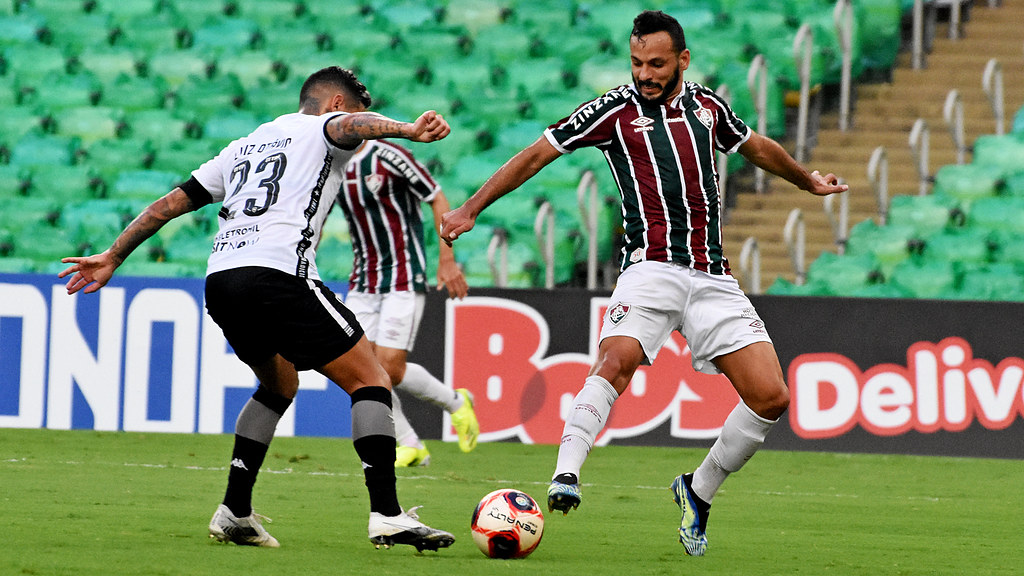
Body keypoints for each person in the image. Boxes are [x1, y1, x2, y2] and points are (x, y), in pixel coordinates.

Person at [440, 11, 848, 557]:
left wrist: (807, 181)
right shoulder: (611, 110)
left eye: (656, 63)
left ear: (682, 60)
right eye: (636, 63)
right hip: (649, 268)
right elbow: (537, 154)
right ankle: (565, 473)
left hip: (711, 274)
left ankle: (698, 492)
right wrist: (471, 208)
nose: (644, 74)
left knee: (771, 396)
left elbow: (755, 147)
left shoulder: (709, 107)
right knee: (616, 360)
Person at [59, 66, 457, 552]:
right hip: (278, 274)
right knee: (370, 380)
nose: (356, 127)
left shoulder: (245, 144)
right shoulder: (323, 128)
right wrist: (407, 130)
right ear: (334, 104)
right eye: (353, 110)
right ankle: (387, 516)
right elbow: (350, 128)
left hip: (223, 280)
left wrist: (114, 255)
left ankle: (234, 511)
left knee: (279, 383)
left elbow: (169, 204)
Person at [335, 138, 478, 467]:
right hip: (363, 281)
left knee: (390, 368)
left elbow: (435, 195)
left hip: (402, 274)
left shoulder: (387, 155)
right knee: (356, 368)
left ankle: (456, 403)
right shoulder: (331, 161)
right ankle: (409, 442)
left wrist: (447, 258)